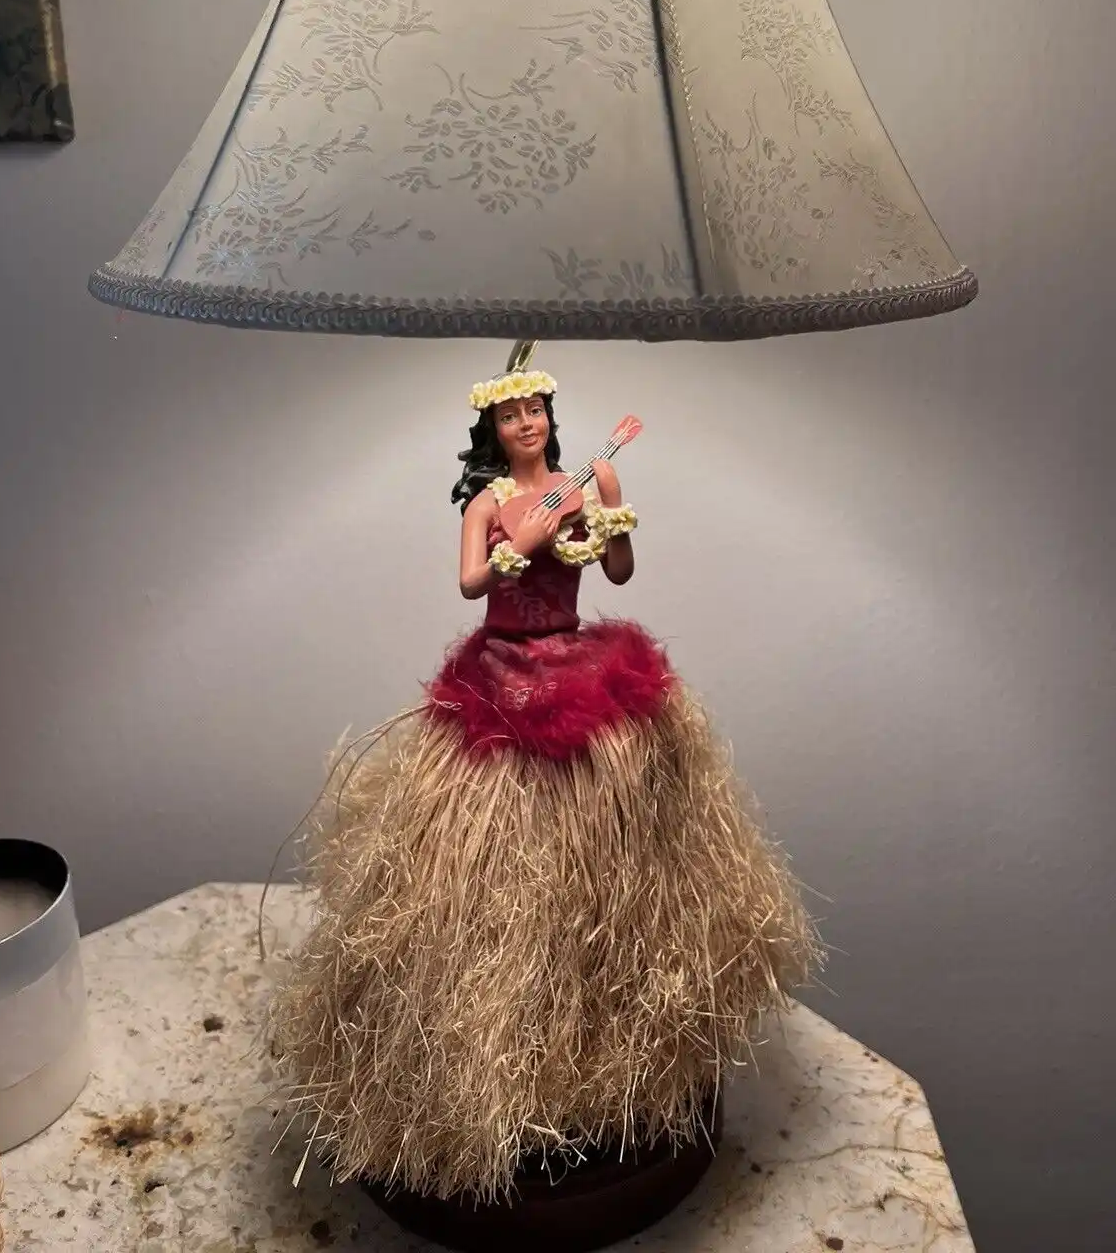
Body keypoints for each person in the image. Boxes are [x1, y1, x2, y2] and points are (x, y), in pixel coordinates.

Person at [270, 359, 822, 1205]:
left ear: (550, 420)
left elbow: (619, 571)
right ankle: (487, 1064)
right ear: (492, 430)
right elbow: (473, 582)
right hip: (506, 671)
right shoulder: (487, 504)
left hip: (576, 661)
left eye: (536, 410)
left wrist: (608, 496)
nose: (526, 423)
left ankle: (616, 1033)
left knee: (617, 852)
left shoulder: (575, 486)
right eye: (511, 414)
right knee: (484, 871)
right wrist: (528, 535)